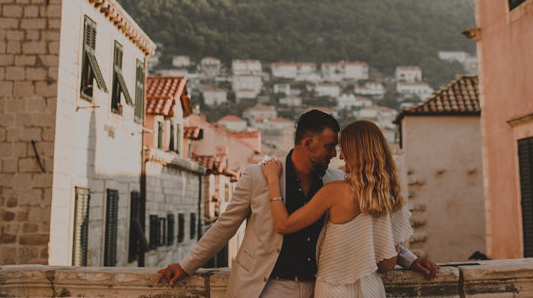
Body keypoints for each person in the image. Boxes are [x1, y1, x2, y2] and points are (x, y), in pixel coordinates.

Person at [156, 110, 438, 297]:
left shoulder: (337, 182)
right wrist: (185, 266)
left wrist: (411, 260)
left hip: (316, 288)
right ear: (307, 143)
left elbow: (370, 228)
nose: (336, 154)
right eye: (330, 146)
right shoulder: (258, 175)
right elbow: (224, 227)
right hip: (265, 287)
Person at [260, 120, 413, 297]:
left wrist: (272, 179)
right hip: (371, 290)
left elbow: (283, 225)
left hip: (333, 290)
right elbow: (387, 264)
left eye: (344, 150)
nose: (340, 157)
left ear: (356, 153)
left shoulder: (335, 192)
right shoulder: (391, 198)